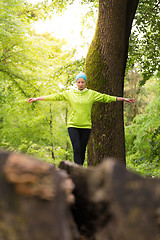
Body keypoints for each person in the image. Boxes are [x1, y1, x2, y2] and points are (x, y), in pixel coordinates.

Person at [28, 72, 134, 165]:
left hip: (86, 126)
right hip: (73, 125)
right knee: (77, 148)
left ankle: (80, 169)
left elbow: (105, 98)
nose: (80, 84)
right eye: (78, 82)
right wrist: (37, 98)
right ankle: (77, 170)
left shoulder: (91, 94)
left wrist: (123, 99)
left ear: (85, 83)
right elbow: (55, 96)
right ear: (76, 83)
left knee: (82, 150)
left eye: (82, 82)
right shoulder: (69, 93)